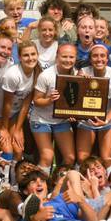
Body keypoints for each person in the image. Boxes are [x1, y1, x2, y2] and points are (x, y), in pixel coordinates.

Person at [30, 43, 78, 171]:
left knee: (70, 158)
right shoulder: (46, 75)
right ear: (57, 57)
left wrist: (75, 114)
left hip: (61, 121)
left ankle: (57, 184)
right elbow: (36, 100)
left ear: (75, 58)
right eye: (64, 56)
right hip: (41, 120)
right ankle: (37, 186)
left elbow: (77, 102)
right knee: (47, 157)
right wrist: (49, 100)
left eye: (71, 57)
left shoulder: (77, 75)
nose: (68, 60)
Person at [76, 43, 111, 162]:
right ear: (90, 59)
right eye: (95, 56)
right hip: (86, 120)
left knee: (106, 159)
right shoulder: (83, 72)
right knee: (82, 158)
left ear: (107, 59)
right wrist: (81, 84)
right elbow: (76, 99)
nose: (99, 59)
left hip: (107, 120)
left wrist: (105, 120)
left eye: (102, 56)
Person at [0, 40, 38, 160]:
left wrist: (17, 129)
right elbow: (7, 104)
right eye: (26, 55)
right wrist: (4, 129)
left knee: (19, 150)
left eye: (33, 54)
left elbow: (26, 103)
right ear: (19, 57)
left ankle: (14, 179)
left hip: (14, 114)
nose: (30, 58)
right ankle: (2, 178)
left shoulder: (36, 71)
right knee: (7, 150)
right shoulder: (13, 75)